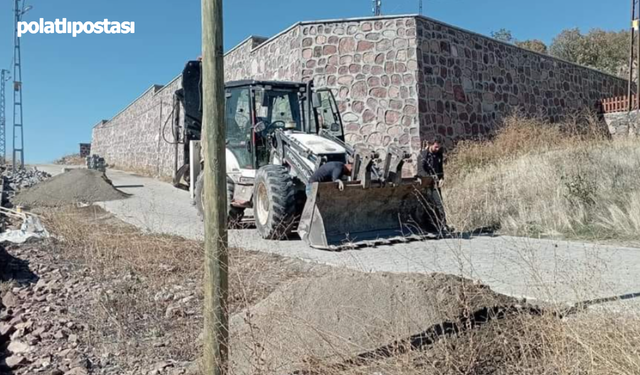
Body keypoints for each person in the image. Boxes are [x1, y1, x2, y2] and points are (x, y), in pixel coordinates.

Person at [417, 139, 448, 232]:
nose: (437, 148)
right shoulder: (423, 155)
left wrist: (442, 178)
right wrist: (429, 177)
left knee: (439, 204)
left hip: (435, 183)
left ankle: (443, 225)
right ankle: (428, 226)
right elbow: (420, 170)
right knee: (429, 205)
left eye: (439, 147)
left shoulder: (439, 154)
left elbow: (440, 167)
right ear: (431, 145)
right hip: (426, 183)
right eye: (436, 146)